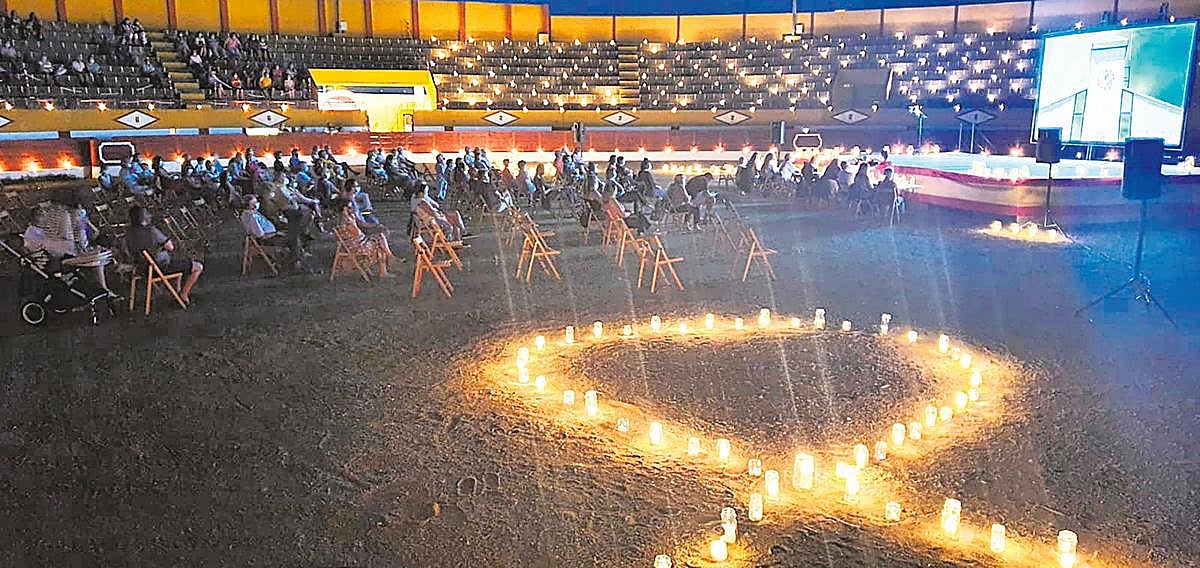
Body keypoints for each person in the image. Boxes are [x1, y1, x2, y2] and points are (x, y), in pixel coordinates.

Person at [125, 205, 203, 304]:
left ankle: (176, 291)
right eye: (147, 213)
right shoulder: (151, 231)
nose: (149, 215)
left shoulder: (128, 234)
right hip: (160, 268)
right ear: (143, 217)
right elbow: (170, 247)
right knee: (197, 266)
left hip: (142, 269)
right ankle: (184, 295)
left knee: (179, 262)